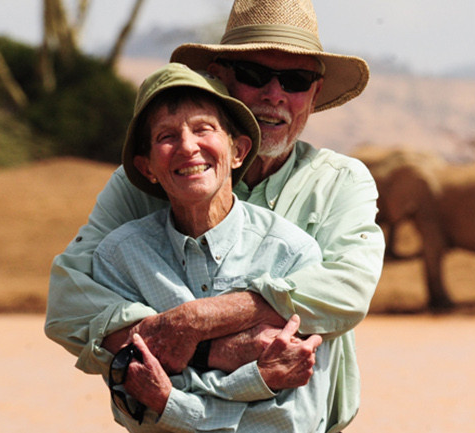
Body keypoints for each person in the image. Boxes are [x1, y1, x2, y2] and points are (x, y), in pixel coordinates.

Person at [44, 1, 384, 432]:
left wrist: (196, 320)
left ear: (314, 96)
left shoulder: (339, 183)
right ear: (220, 78)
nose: (274, 95)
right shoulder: (143, 182)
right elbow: (68, 303)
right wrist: (215, 349)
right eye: (255, 75)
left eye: (296, 81)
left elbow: (347, 291)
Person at [99, 62, 331, 432]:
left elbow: (291, 420)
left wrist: (170, 400)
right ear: (147, 169)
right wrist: (253, 373)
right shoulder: (121, 258)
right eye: (166, 137)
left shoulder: (292, 255)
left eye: (203, 129)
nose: (188, 147)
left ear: (238, 151)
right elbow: (131, 403)